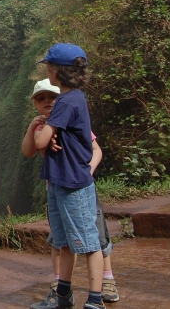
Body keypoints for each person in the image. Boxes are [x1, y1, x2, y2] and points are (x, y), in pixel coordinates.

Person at [22, 79, 120, 309]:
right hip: (56, 189)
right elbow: (30, 149)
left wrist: (88, 169)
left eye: (52, 97)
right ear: (35, 103)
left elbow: (95, 149)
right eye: (41, 98)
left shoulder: (72, 120)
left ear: (62, 99)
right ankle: (62, 291)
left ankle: (104, 285)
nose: (47, 102)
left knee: (93, 237)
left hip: (77, 186)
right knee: (63, 241)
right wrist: (32, 130)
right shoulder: (40, 126)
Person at [32, 43, 105, 309]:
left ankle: (95, 300)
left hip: (73, 183)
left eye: (48, 66)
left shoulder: (65, 101)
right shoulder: (75, 99)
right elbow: (64, 134)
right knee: (64, 242)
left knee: (88, 242)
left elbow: (40, 143)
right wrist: (52, 135)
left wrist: (40, 131)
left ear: (56, 71)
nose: (47, 71)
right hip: (61, 180)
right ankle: (63, 295)